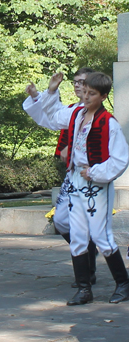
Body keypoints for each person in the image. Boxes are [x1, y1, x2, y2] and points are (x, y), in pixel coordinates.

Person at [41, 71, 129, 305]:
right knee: (79, 234)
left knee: (100, 234)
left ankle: (123, 283)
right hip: (76, 179)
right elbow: (50, 115)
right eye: (85, 92)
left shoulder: (108, 123)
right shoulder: (77, 115)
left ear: (102, 96)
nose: (86, 97)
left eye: (92, 94)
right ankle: (83, 288)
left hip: (96, 183)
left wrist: (94, 172)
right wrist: (48, 92)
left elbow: (120, 159)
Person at [24, 67, 99, 288]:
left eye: (82, 82)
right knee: (61, 220)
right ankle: (88, 256)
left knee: (89, 224)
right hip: (74, 174)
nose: (77, 85)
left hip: (92, 175)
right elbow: (50, 118)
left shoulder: (98, 112)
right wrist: (44, 93)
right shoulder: (73, 110)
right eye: (75, 81)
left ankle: (89, 274)